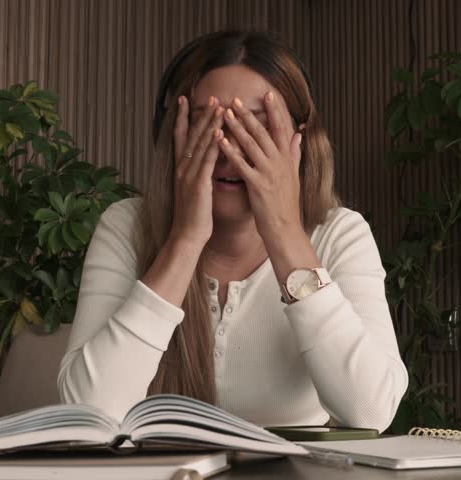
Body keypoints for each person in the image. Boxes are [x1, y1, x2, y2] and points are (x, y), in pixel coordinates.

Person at [57, 30, 407, 432]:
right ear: (172, 134)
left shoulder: (340, 236)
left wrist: (284, 233)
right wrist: (185, 240)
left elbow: (372, 411)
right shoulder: (125, 227)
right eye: (209, 125)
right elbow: (88, 412)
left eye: (256, 129)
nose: (231, 151)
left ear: (299, 143)